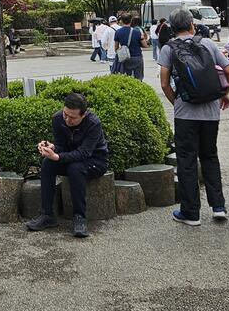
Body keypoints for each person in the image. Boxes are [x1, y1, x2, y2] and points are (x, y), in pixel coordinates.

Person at [158, 8, 229, 226]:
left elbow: (163, 83)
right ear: (192, 24)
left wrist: (177, 102)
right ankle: (218, 206)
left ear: (172, 28)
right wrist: (223, 95)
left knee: (187, 161)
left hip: (185, 113)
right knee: (210, 156)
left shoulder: (168, 48)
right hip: (210, 112)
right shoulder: (208, 44)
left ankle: (191, 213)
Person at [25, 92, 109, 238]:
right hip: (70, 159)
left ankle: (79, 217)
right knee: (47, 163)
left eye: (72, 117)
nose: (67, 119)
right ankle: (47, 215)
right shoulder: (57, 118)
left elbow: (84, 153)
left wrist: (58, 156)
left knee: (75, 168)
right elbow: (61, 146)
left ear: (83, 115)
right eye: (65, 114)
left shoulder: (93, 123)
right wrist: (52, 148)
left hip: (95, 161)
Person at [114, 15, 146, 79]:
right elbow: (145, 45)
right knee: (138, 77)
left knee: (126, 77)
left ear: (122, 21)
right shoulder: (137, 32)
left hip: (125, 58)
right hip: (137, 57)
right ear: (131, 20)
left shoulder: (118, 32)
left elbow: (116, 48)